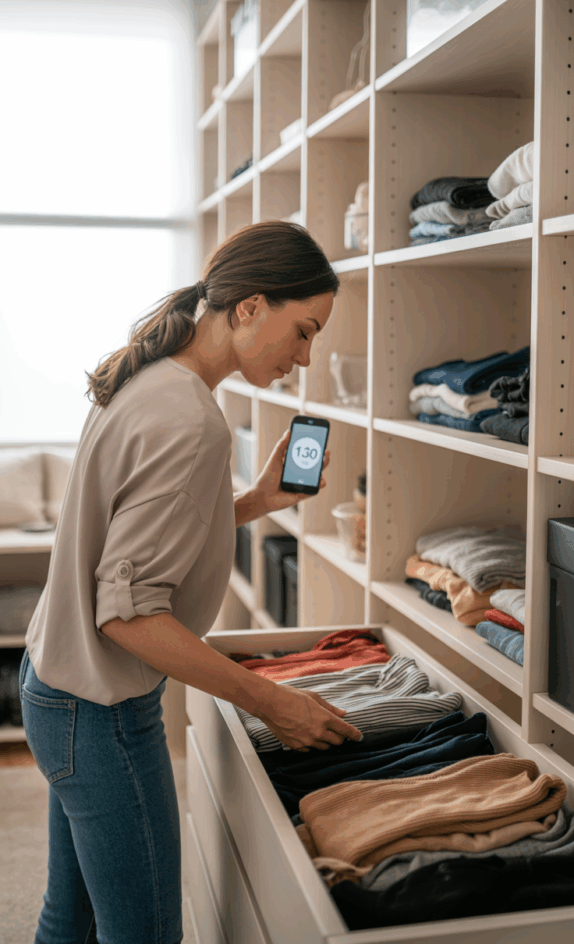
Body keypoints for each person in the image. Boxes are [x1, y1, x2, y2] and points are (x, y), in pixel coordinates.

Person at [20, 220, 363, 944]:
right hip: (100, 706)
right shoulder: (191, 421)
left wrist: (254, 503)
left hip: (60, 682)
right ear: (248, 308)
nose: (305, 357)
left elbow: (124, 549)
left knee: (72, 914)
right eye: (303, 331)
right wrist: (271, 700)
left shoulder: (145, 377)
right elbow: (129, 615)